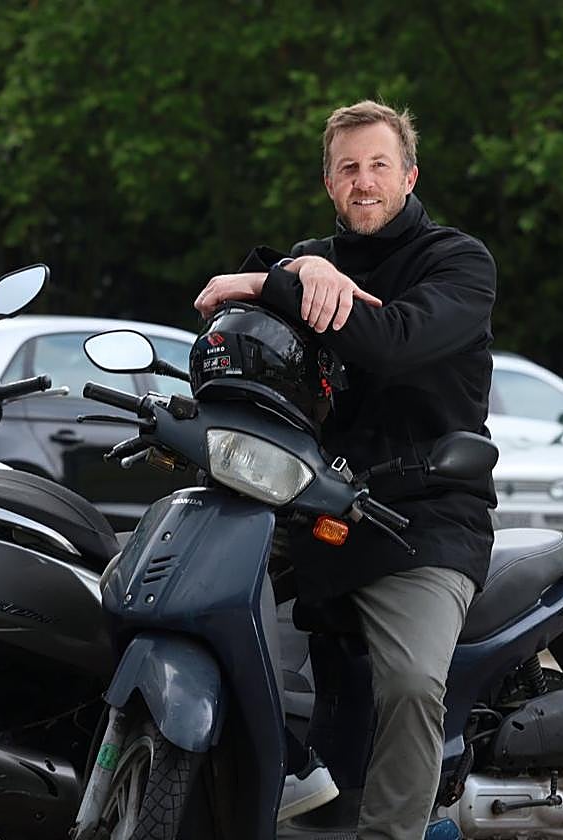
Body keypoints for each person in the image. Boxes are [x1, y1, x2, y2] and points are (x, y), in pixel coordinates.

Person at [193, 100, 497, 840]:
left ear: (410, 175)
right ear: (330, 183)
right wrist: (297, 270)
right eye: (348, 168)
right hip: (310, 507)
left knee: (414, 683)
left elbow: (390, 340)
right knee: (187, 612)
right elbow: (225, 324)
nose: (364, 182)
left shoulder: (459, 261)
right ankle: (270, 783)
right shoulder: (305, 259)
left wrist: (280, 281)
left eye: (379, 166)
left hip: (424, 516)